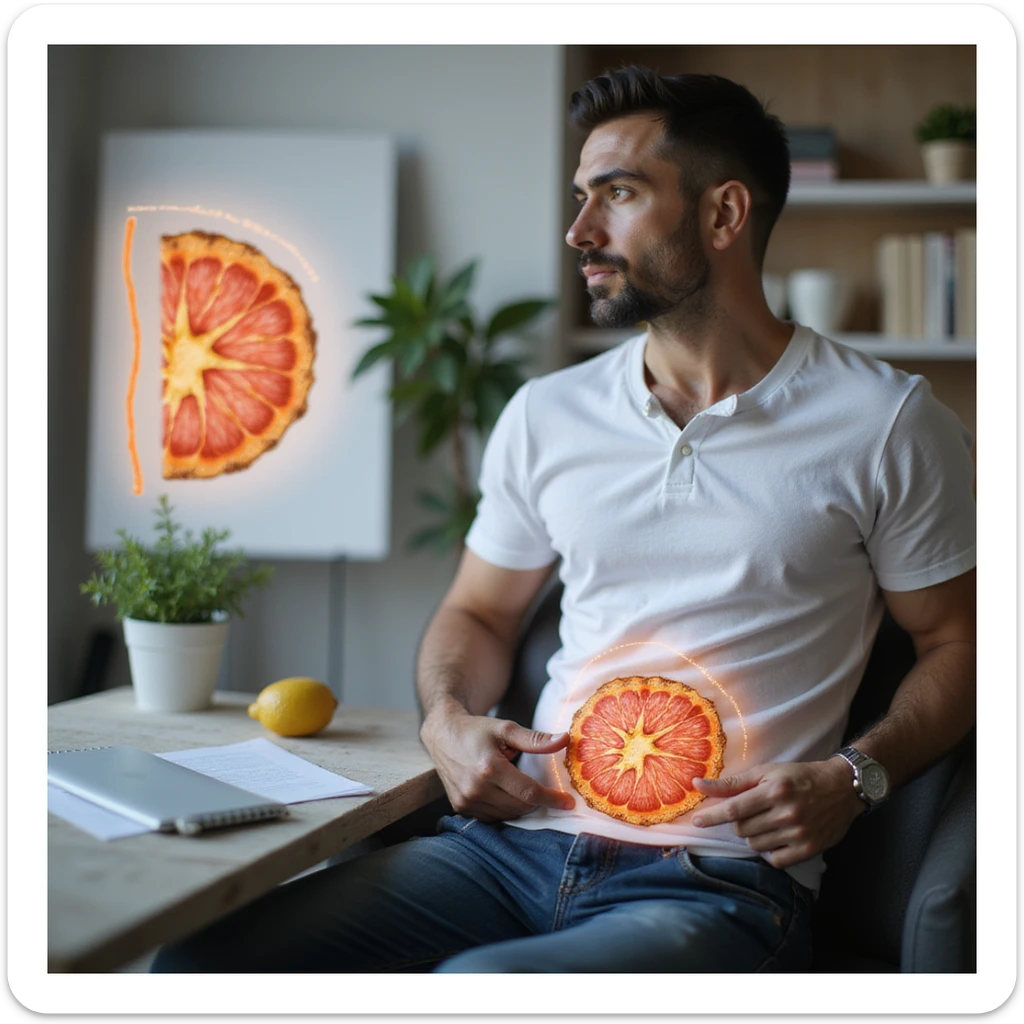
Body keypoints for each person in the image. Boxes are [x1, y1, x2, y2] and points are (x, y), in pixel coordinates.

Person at [152, 66, 976, 974]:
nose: (579, 231)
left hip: (718, 882)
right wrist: (447, 722)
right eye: (581, 198)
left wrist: (857, 779)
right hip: (502, 853)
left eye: (617, 195)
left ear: (724, 214)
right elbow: (480, 613)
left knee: (483, 988)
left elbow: (958, 643)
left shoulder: (888, 422)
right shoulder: (548, 414)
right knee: (200, 963)